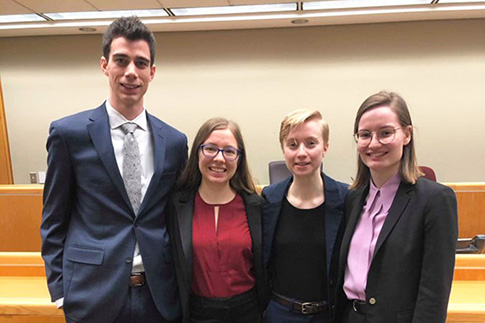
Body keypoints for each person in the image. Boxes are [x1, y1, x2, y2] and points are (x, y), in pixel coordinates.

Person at [40, 16, 187, 323]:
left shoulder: (174, 142)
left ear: (152, 72)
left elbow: (176, 217)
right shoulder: (69, 134)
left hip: (158, 297)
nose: (131, 72)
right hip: (92, 295)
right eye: (121, 60)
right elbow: (54, 219)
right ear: (105, 65)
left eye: (141, 63)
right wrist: (60, 289)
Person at [334, 91, 458, 323]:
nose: (373, 143)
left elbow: (433, 294)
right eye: (364, 135)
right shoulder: (353, 199)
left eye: (385, 133)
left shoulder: (435, 200)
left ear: (407, 135)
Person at [168, 118, 267, 323]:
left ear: (239, 158)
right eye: (210, 149)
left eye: (229, 151)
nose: (219, 159)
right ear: (197, 152)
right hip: (196, 313)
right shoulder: (177, 206)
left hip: (247, 313)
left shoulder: (256, 206)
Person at [262, 109, 348, 323]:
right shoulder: (268, 199)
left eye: (311, 143)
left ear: (325, 147)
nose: (301, 153)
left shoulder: (347, 199)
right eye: (292, 144)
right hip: (279, 314)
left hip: (328, 315)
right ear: (283, 149)